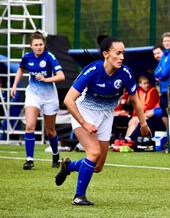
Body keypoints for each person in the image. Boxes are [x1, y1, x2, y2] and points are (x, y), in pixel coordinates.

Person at [55, 37, 151, 206]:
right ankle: (79, 196)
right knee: (93, 153)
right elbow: (69, 100)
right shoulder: (92, 70)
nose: (122, 57)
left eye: (123, 53)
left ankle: (68, 167)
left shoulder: (125, 73)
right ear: (106, 54)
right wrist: (84, 123)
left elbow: (135, 101)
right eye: (118, 53)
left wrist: (143, 124)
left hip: (106, 116)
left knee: (97, 166)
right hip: (84, 113)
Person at [10, 31, 65, 170]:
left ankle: (55, 154)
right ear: (31, 46)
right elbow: (21, 69)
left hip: (49, 97)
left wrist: (46, 79)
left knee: (50, 130)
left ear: (44, 44)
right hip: (33, 95)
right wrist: (15, 85)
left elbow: (61, 76)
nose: (39, 47)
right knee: (30, 126)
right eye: (36, 45)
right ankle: (29, 160)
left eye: (41, 44)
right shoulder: (27, 57)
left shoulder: (49, 57)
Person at [123, 75, 162, 142]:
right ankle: (127, 140)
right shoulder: (137, 91)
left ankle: (129, 140)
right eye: (144, 83)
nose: (146, 85)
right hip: (142, 115)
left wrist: (138, 116)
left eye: (147, 83)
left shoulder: (153, 91)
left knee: (136, 120)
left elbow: (149, 106)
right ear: (139, 84)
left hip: (152, 116)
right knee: (133, 121)